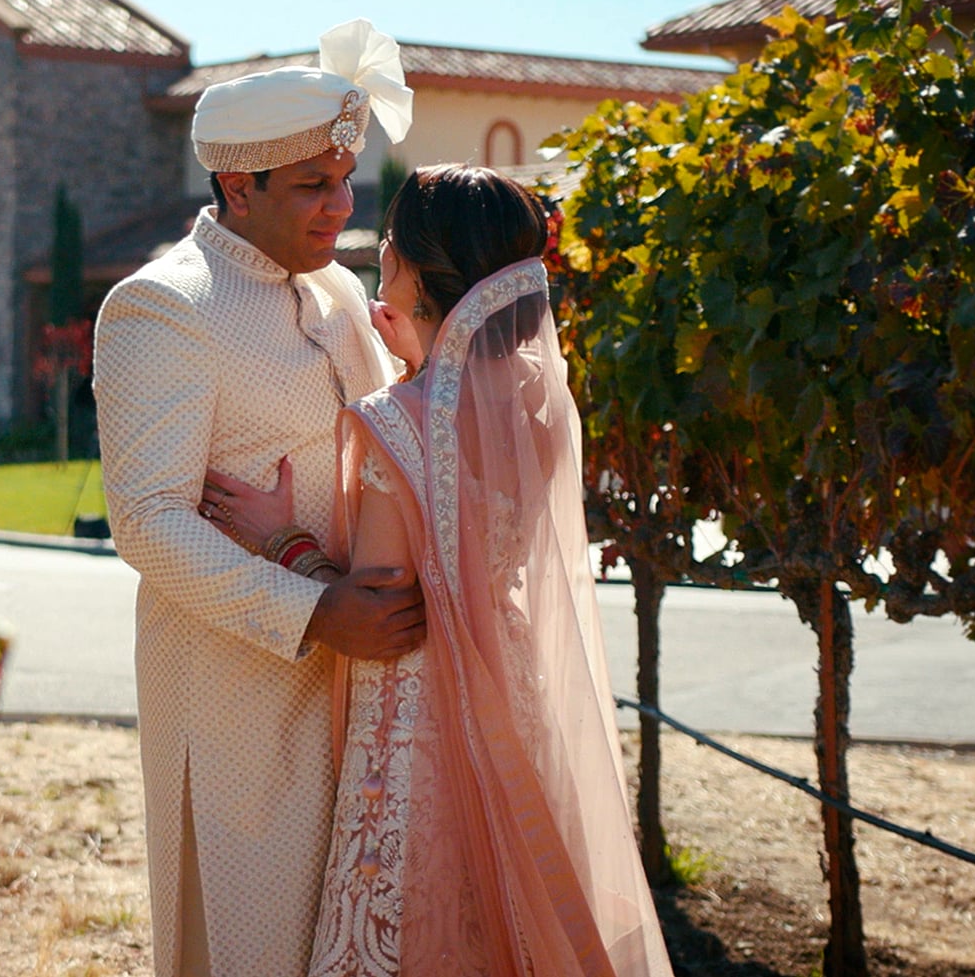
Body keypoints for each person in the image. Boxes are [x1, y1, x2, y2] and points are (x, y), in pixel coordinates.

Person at [203, 164, 674, 975]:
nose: (379, 252)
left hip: (413, 715)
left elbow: (382, 604)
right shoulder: (535, 405)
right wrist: (421, 355)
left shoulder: (397, 421)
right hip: (510, 687)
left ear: (419, 271)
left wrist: (282, 540)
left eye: (390, 242)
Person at [92, 19, 426, 977]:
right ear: (238, 187)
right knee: (246, 945)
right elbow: (146, 521)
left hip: (365, 684)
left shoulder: (339, 293)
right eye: (313, 185)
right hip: (234, 690)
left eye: (345, 179)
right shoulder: (163, 305)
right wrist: (314, 609)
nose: (341, 205)